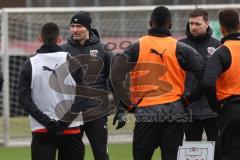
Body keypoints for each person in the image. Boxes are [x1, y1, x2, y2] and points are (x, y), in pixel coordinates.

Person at [111, 6, 204, 160]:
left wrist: (126, 105)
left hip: (146, 113)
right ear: (170, 25)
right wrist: (188, 99)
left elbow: (114, 77)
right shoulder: (181, 48)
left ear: (150, 23)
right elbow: (205, 77)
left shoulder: (136, 47)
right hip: (175, 112)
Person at [18, 22, 84, 160]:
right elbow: (83, 96)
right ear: (59, 39)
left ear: (39, 39)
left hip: (42, 129)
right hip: (70, 128)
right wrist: (64, 123)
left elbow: (24, 99)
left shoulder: (29, 65)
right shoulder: (73, 62)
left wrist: (47, 122)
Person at [61, 11, 112, 160]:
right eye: (72, 26)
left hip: (96, 111)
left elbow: (115, 78)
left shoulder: (103, 49)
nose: (74, 30)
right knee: (72, 155)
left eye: (78, 26)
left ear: (88, 28)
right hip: (71, 112)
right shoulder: (63, 50)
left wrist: (119, 107)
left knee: (101, 154)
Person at [202, 9, 240, 160]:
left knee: (230, 154)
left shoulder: (221, 52)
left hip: (231, 110)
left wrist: (216, 106)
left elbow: (207, 82)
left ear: (222, 28)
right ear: (239, 25)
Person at [180, 8, 220, 142]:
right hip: (189, 109)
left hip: (213, 109)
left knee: (218, 150)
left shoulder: (218, 46)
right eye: (191, 23)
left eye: (197, 24)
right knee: (192, 150)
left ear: (207, 23)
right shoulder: (180, 46)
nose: (193, 27)